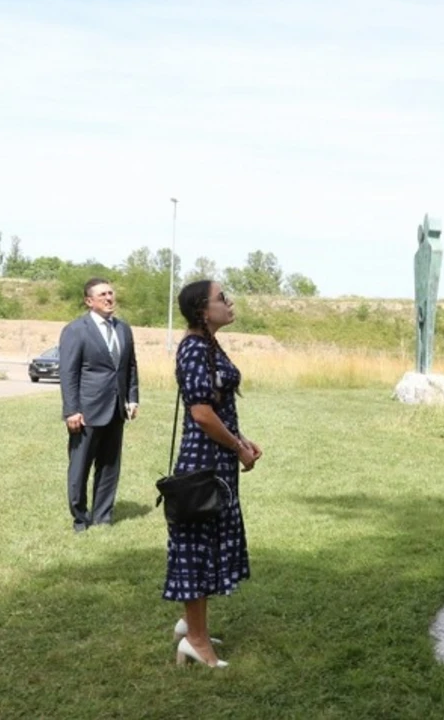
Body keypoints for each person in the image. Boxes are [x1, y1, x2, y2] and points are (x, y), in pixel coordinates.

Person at [164, 280, 263, 668]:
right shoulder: (192, 348)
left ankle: (191, 625)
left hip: (216, 460)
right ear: (203, 311)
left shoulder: (207, 345)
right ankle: (196, 640)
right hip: (203, 463)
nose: (230, 301)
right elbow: (201, 414)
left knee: (206, 545)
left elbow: (217, 409)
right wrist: (237, 447)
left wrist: (242, 438)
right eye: (222, 298)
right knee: (197, 549)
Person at [58, 278, 139, 534]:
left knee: (109, 467)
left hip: (116, 409)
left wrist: (132, 398)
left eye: (111, 293)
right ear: (89, 301)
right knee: (80, 468)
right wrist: (71, 410)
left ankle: (103, 517)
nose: (108, 298)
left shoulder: (123, 329)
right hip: (86, 412)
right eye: (102, 294)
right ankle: (80, 519)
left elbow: (130, 367)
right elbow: (68, 372)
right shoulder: (76, 330)